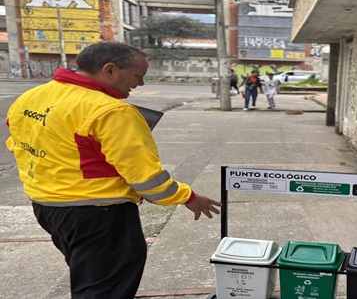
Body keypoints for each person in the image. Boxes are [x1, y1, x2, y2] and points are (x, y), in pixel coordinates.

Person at [4, 42, 222, 299]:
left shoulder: (31, 98)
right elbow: (147, 178)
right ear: (109, 70)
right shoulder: (111, 111)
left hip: (47, 208)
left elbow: (19, 144)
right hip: (98, 216)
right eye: (137, 76)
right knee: (104, 290)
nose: (139, 84)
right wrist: (188, 197)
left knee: (90, 279)